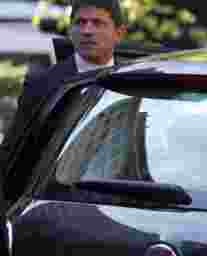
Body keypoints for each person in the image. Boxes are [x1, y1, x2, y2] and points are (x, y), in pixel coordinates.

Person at [0, 0, 127, 176]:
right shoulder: (43, 85)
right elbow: (14, 151)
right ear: (69, 30)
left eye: (98, 23)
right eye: (80, 22)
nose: (87, 31)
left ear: (119, 33)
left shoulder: (134, 79)